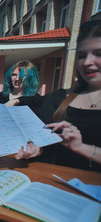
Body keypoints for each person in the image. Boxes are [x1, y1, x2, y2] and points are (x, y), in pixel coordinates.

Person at [15, 20, 101, 172]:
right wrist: (34, 151)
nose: (87, 62)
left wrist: (82, 148)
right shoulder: (57, 100)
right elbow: (44, 148)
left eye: (98, 54)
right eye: (81, 55)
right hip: (54, 187)